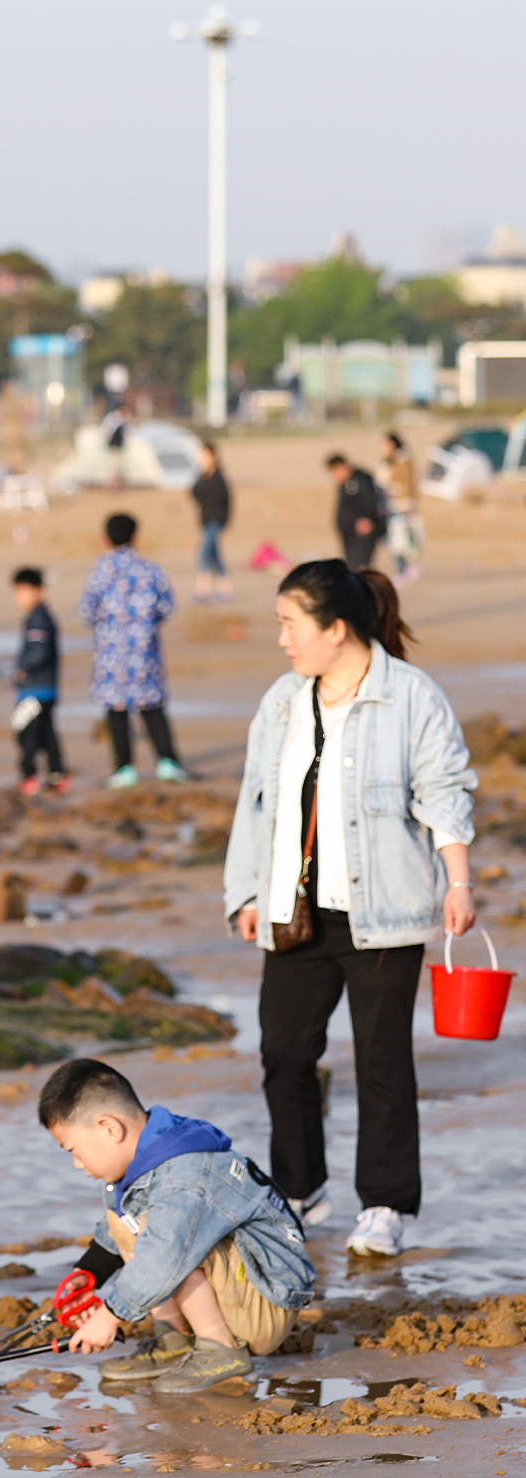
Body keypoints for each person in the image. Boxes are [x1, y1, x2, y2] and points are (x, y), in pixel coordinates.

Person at [224, 561, 476, 1258]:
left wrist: (459, 882)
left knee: (383, 1061)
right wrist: (245, 892)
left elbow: (445, 790)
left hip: (386, 912)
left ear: (335, 629)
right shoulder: (282, 700)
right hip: (296, 911)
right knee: (284, 1051)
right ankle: (300, 1190)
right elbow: (256, 803)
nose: (282, 640)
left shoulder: (411, 697)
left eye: (290, 625)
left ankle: (387, 1205)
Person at [37, 1059, 315, 1392]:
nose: (77, 1164)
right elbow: (121, 1226)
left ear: (110, 1128)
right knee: (130, 1218)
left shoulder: (183, 1177)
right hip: (242, 1286)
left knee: (165, 1238)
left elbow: (163, 1256)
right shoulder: (155, 1150)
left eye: (75, 1150)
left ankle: (221, 1349)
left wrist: (110, 1316)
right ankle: (175, 1339)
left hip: (266, 1299)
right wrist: (89, 1273)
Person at [78, 513, 188, 788]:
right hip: (145, 652)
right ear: (136, 537)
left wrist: (110, 627)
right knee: (153, 707)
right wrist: (145, 626)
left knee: (117, 711)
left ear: (105, 540)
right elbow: (167, 607)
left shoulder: (100, 572)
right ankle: (167, 762)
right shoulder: (151, 570)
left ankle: (125, 768)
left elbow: (86, 612)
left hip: (111, 656)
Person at [11, 567, 69, 797]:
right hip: (47, 689)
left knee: (24, 731)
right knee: (46, 733)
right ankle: (58, 774)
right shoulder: (41, 617)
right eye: (18, 593)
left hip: (35, 690)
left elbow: (39, 651)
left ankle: (29, 776)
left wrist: (22, 669)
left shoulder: (38, 620)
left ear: (40, 592)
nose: (20, 598)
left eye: (25, 592)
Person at [325, 454, 386, 572]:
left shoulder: (360, 480)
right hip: (350, 534)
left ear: (342, 467)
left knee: (362, 567)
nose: (334, 476)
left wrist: (368, 518)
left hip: (362, 533)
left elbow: (371, 500)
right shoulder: (346, 483)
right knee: (352, 567)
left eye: (335, 472)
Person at [190, 440, 233, 602]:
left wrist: (225, 521)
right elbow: (194, 493)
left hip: (217, 521)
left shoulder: (219, 477)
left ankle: (202, 589)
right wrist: (200, 473)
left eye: (205, 454)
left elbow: (226, 500)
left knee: (204, 553)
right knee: (215, 555)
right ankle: (226, 587)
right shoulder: (203, 476)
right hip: (206, 520)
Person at [378, 431, 423, 583]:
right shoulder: (387, 461)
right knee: (394, 541)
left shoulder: (403, 459)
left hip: (402, 506)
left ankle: (410, 569)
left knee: (406, 540)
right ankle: (401, 569)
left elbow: (408, 483)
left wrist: (408, 504)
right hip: (389, 505)